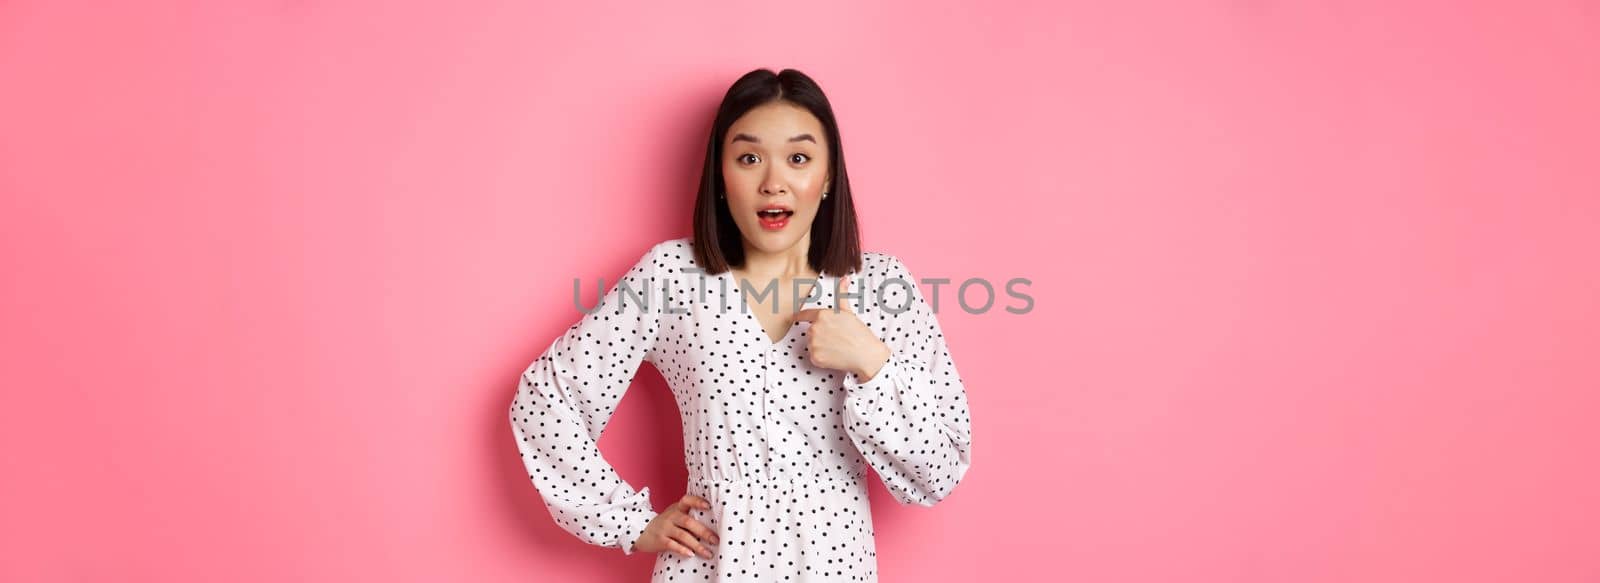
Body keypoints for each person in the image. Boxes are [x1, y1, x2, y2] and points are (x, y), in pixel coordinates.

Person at [509, 68, 973, 582]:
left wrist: (871, 361)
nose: (773, 181)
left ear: (828, 177)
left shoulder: (882, 287)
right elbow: (546, 397)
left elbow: (940, 470)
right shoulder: (672, 277)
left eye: (798, 158)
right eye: (749, 158)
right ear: (721, 177)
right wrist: (627, 522)